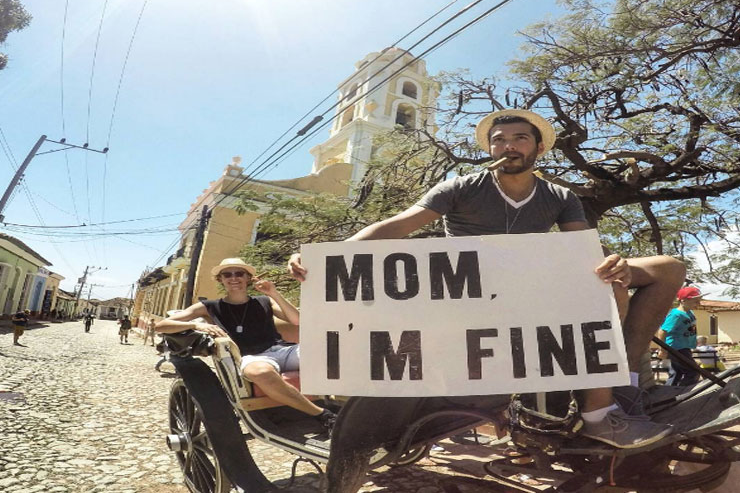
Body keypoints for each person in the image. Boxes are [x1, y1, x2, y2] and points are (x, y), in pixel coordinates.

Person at [288, 109, 686, 449]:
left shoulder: (560, 196)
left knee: (663, 269)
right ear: (489, 149)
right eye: (499, 140)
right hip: (474, 302)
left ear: (538, 148)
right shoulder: (459, 188)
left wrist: (611, 263)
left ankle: (628, 381)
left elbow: (583, 250)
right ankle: (601, 416)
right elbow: (395, 226)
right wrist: (326, 257)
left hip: (532, 288)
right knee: (596, 294)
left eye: (519, 139)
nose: (508, 146)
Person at [155, 258, 336, 436]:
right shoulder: (210, 306)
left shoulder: (264, 301)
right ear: (221, 279)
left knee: (332, 352)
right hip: (251, 357)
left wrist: (273, 293)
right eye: (227, 274)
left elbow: (297, 320)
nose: (234, 278)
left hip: (282, 350)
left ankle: (349, 405)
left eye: (239, 273)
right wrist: (196, 325)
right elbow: (161, 325)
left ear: (248, 277)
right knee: (259, 373)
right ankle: (322, 415)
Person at [657, 287, 704, 385]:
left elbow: (691, 327)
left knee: (676, 372)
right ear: (683, 300)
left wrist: (693, 341)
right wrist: (662, 350)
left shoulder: (690, 313)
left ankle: (669, 393)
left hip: (684, 347)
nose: (698, 304)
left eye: (699, 301)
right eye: (695, 301)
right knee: (693, 372)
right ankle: (682, 393)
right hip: (676, 348)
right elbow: (662, 331)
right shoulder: (676, 315)